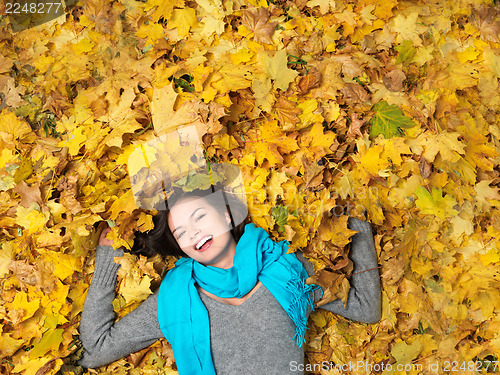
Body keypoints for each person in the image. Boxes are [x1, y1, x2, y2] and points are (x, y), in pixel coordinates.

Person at [77, 187, 382, 374]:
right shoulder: (176, 299)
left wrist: (356, 222)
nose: (193, 233)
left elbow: (365, 308)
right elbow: (98, 348)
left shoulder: (287, 272)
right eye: (181, 233)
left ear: (225, 216)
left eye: (199, 217)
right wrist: (108, 257)